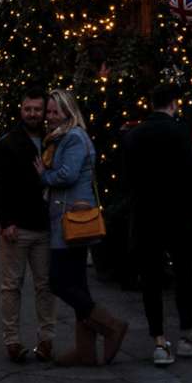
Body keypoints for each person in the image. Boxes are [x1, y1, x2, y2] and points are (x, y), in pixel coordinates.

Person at [38, 88, 130, 366]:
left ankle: (112, 325)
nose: (50, 117)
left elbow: (67, 175)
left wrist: (44, 175)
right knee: (77, 283)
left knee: (58, 281)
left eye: (56, 112)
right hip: (65, 219)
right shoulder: (62, 137)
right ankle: (85, 350)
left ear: (68, 112)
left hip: (72, 220)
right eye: (49, 111)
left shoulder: (74, 137)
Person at [121, 79, 192, 366]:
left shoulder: (133, 136)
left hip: (146, 215)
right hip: (178, 215)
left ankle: (158, 341)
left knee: (151, 280)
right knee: (184, 276)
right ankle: (187, 334)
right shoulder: (179, 133)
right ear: (173, 104)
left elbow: (128, 179)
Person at [0, 89, 56, 363]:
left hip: (45, 225)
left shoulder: (54, 140)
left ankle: (47, 340)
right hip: (17, 227)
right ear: (21, 109)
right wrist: (5, 220)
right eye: (29, 109)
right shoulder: (8, 143)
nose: (34, 114)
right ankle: (12, 341)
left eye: (38, 110)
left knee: (45, 286)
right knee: (11, 286)